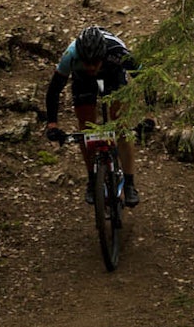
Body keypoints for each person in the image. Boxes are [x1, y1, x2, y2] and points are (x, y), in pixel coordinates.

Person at [45, 24, 145, 207]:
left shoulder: (118, 51)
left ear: (103, 55)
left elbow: (146, 79)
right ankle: (92, 180)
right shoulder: (71, 54)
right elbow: (53, 91)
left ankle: (130, 183)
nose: (91, 67)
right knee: (86, 126)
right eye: (87, 62)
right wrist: (52, 124)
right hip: (82, 80)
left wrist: (150, 116)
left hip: (113, 74)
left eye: (95, 62)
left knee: (121, 124)